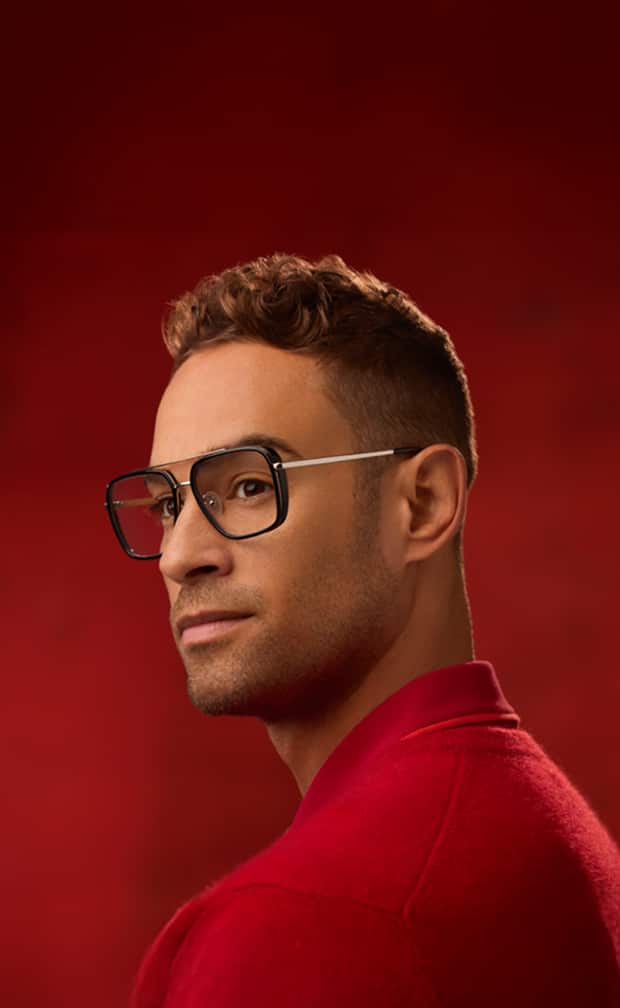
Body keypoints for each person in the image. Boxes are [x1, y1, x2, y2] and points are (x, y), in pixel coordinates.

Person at [104, 253, 620, 1006]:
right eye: (169, 504)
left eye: (250, 486)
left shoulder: (303, 928)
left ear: (422, 503)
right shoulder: (548, 831)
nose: (180, 557)